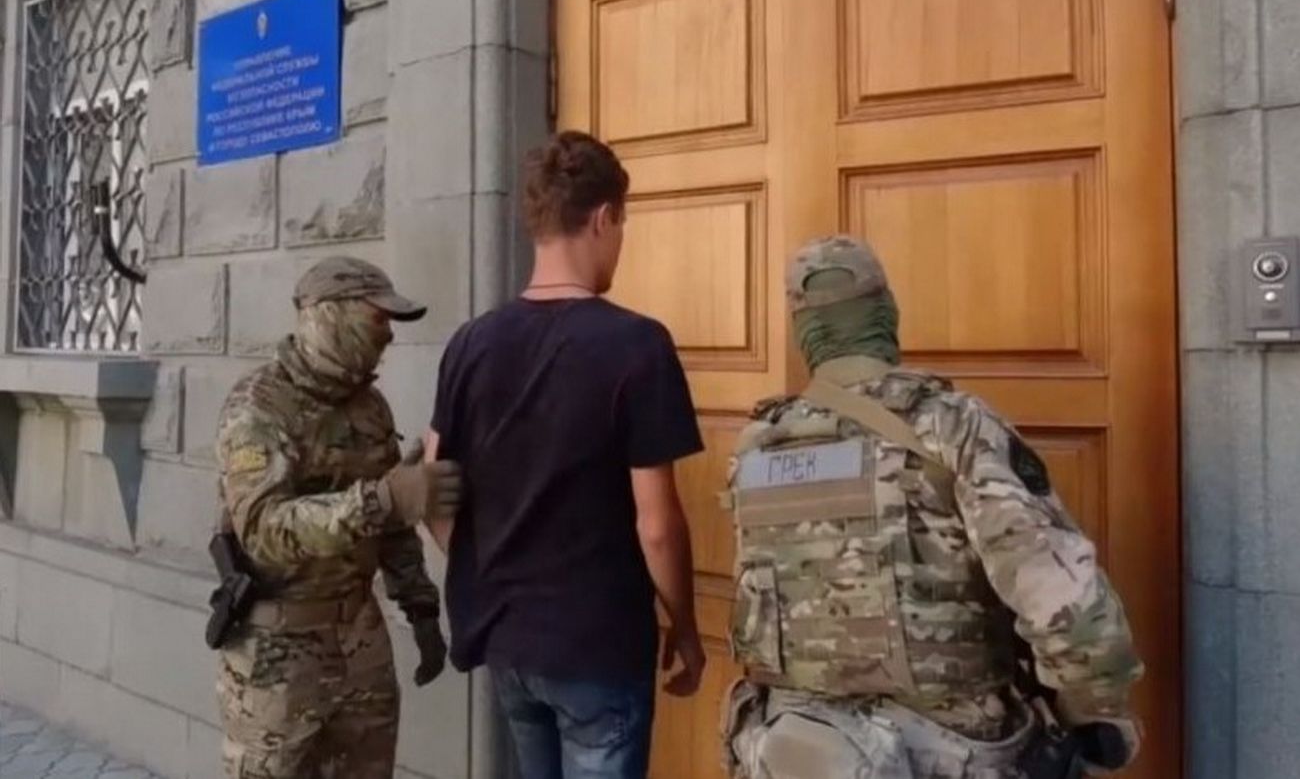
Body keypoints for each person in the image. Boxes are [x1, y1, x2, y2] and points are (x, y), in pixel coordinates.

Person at [719, 236, 1144, 778]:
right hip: (946, 748)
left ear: (804, 333)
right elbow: (1065, 604)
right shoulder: (951, 425)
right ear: (887, 313)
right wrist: (1095, 712)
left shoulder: (758, 446)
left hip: (795, 745)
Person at [424, 130, 706, 779]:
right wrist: (685, 626)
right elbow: (657, 525)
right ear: (603, 218)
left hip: (509, 642)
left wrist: (490, 570)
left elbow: (435, 492)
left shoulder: (470, 343)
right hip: (596, 645)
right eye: (622, 224)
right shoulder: (637, 345)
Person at [212, 256, 461, 778]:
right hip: (277, 658)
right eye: (379, 318)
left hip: (359, 646)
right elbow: (263, 529)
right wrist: (379, 500)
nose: (388, 335)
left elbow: (395, 526)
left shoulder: (370, 407)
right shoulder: (258, 406)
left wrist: (420, 607)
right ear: (329, 315)